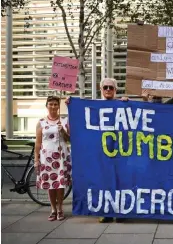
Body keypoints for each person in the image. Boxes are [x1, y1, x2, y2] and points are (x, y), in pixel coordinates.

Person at [65, 78, 128, 223]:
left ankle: (121, 212)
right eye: (105, 87)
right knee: (102, 182)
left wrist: (128, 102)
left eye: (111, 88)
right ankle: (105, 212)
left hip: (120, 153)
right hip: (100, 153)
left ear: (115, 90)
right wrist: (72, 104)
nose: (108, 90)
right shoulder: (94, 107)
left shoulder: (123, 105)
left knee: (120, 182)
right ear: (101, 89)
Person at [34, 96, 71, 221]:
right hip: (47, 157)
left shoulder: (64, 121)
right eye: (51, 104)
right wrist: (36, 159)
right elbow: (38, 143)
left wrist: (63, 132)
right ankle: (53, 209)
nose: (53, 106)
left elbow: (69, 139)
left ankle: (60, 208)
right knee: (51, 185)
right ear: (47, 106)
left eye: (56, 104)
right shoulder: (41, 122)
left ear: (58, 106)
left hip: (61, 157)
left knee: (60, 184)